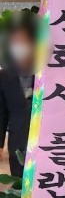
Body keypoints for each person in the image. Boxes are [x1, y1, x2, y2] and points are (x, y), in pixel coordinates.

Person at [0, 11, 37, 177]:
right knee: (19, 182)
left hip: (45, 141)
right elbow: (2, 112)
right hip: (18, 141)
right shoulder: (4, 76)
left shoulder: (46, 73)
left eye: (23, 41)